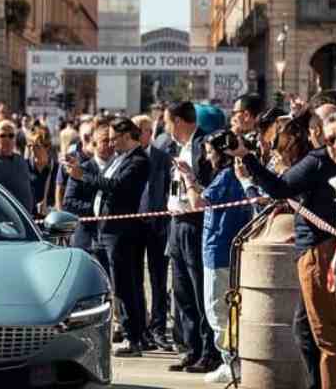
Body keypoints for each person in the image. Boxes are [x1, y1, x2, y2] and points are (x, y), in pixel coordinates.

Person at [231, 109, 336, 389]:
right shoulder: (322, 160)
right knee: (306, 331)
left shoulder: (319, 160)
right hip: (313, 247)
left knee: (327, 337)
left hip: (320, 252)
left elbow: (279, 187)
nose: (335, 144)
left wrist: (246, 157)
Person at [65, 117, 151, 357]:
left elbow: (116, 186)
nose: (112, 144)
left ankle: (133, 337)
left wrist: (83, 176)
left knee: (124, 286)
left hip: (120, 231)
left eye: (115, 139)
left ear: (126, 136)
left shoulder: (138, 159)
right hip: (105, 229)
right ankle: (133, 334)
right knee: (119, 285)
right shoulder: (123, 158)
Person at [181, 124, 251, 384]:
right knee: (223, 310)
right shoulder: (228, 175)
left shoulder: (226, 176)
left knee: (218, 310)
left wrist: (188, 181)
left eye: (210, 152)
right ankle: (232, 360)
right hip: (220, 250)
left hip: (220, 252)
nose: (207, 157)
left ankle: (231, 362)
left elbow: (197, 203)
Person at [163, 101, 222, 375]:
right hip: (176, 222)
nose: (165, 128)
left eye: (166, 121)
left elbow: (205, 188)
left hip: (195, 223)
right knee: (182, 291)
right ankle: (190, 348)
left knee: (199, 289)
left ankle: (209, 351)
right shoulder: (180, 148)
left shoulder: (201, 146)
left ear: (178, 120)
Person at [135, 113, 173, 351]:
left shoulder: (162, 157)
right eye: (136, 131)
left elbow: (168, 187)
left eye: (144, 131)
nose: (140, 136)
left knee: (159, 279)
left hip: (158, 223)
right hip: (133, 225)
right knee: (135, 279)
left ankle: (159, 328)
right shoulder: (126, 158)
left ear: (151, 133)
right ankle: (141, 329)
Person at [0, 119, 35, 215]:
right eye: (2, 136)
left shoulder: (21, 161)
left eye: (11, 136)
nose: (7, 139)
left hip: (24, 219)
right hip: (1, 224)